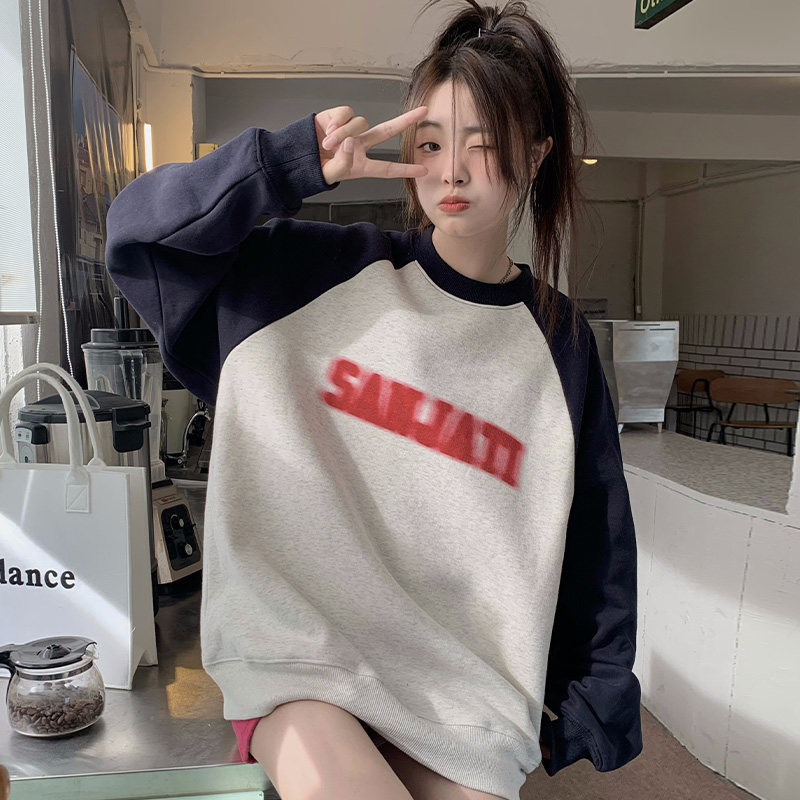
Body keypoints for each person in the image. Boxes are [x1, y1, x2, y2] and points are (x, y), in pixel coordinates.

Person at [104, 1, 642, 798]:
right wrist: (284, 165)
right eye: (431, 144)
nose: (451, 172)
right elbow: (138, 237)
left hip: (467, 693)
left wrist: (591, 695)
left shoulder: (558, 341)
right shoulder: (304, 275)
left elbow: (596, 531)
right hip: (304, 664)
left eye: (484, 146)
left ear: (535, 156)